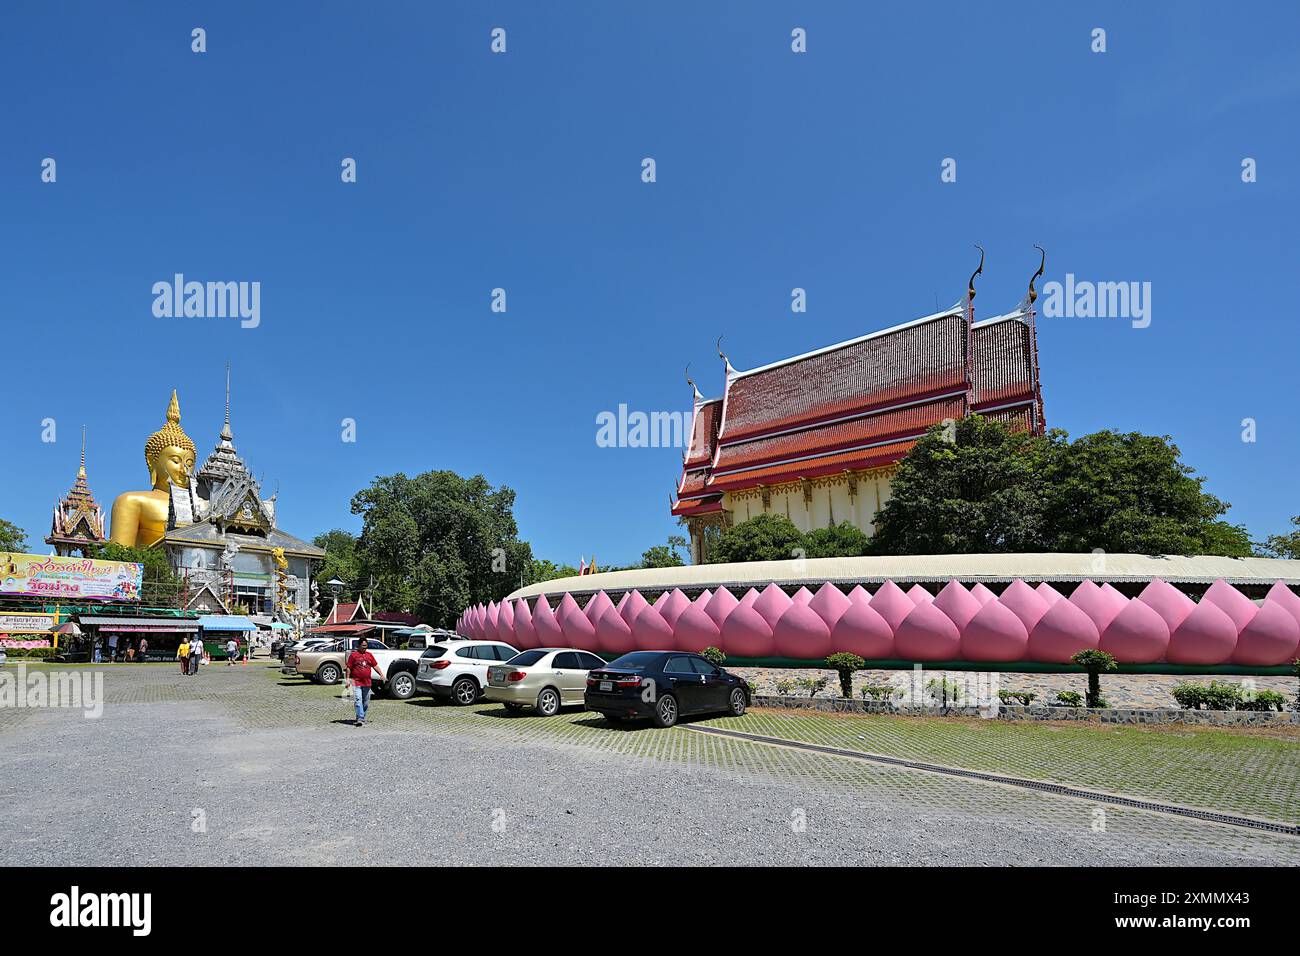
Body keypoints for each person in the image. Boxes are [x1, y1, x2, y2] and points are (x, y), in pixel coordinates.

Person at [345, 639, 384, 727]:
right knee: (358, 700)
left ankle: (361, 716)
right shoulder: (353, 655)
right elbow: (348, 668)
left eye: (366, 646)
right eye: (363, 646)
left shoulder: (369, 655)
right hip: (356, 682)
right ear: (358, 646)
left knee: (365, 702)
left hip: (367, 683)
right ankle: (360, 718)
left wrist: (381, 675)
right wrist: (347, 680)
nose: (365, 648)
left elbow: (375, 666)